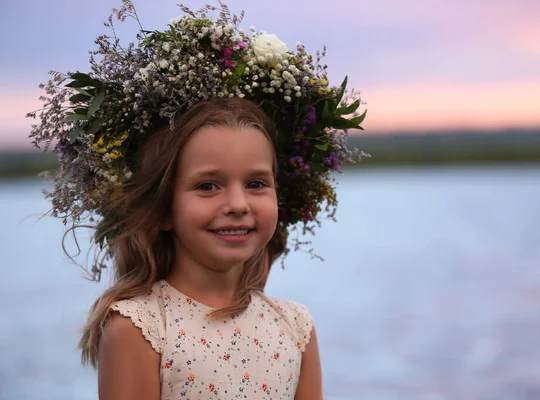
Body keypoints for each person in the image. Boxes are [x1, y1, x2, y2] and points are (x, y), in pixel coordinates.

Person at [27, 2, 366, 399]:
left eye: (256, 183)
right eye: (208, 186)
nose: (238, 203)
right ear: (164, 208)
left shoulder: (295, 326)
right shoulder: (141, 328)